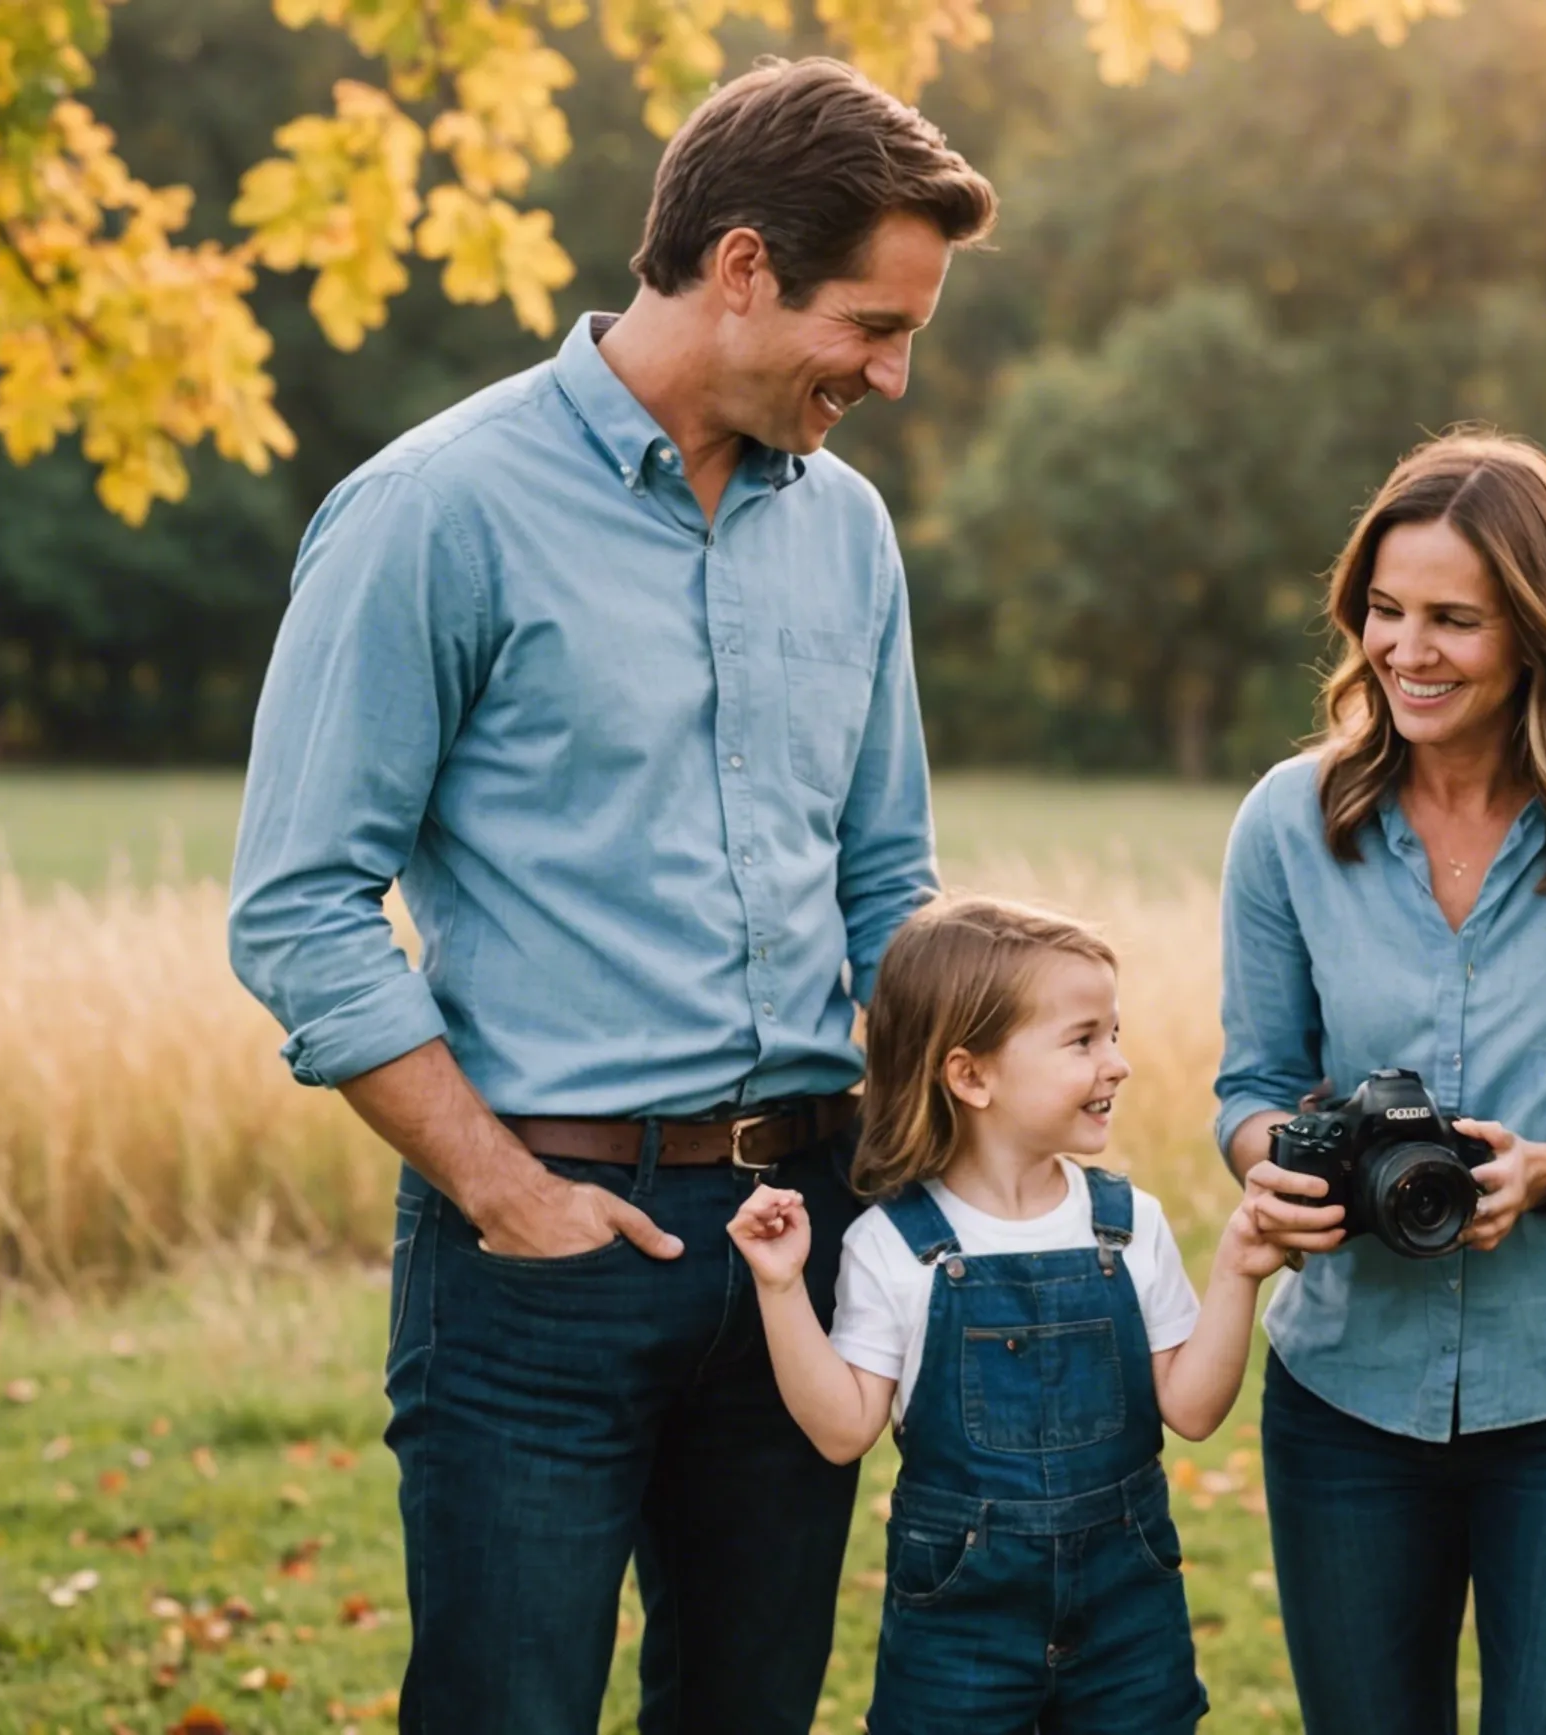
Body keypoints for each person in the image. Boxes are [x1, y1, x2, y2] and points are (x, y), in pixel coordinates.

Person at [222, 58, 994, 1735]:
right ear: (737, 269)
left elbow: (881, 879)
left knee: (748, 1709)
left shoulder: (847, 535)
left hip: (804, 1237)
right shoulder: (437, 511)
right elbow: (297, 905)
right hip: (540, 1267)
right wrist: (502, 1190)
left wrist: (974, 1115)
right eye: (870, 326)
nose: (895, 374)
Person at [1216, 431, 1546, 1734]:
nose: (1409, 649)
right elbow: (1252, 1084)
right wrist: (1282, 1169)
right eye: (1387, 611)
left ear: (1539, 631)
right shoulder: (1290, 822)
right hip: (1345, 1390)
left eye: (1455, 618)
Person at [729, 895, 1272, 1732]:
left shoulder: (1131, 1224)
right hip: (960, 1629)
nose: (1117, 1063)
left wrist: (1238, 1267)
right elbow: (843, 1430)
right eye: (1084, 1039)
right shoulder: (891, 1245)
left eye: (1114, 1034)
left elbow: (1194, 1410)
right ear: (971, 1074)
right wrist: (779, 1287)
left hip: (1129, 1619)